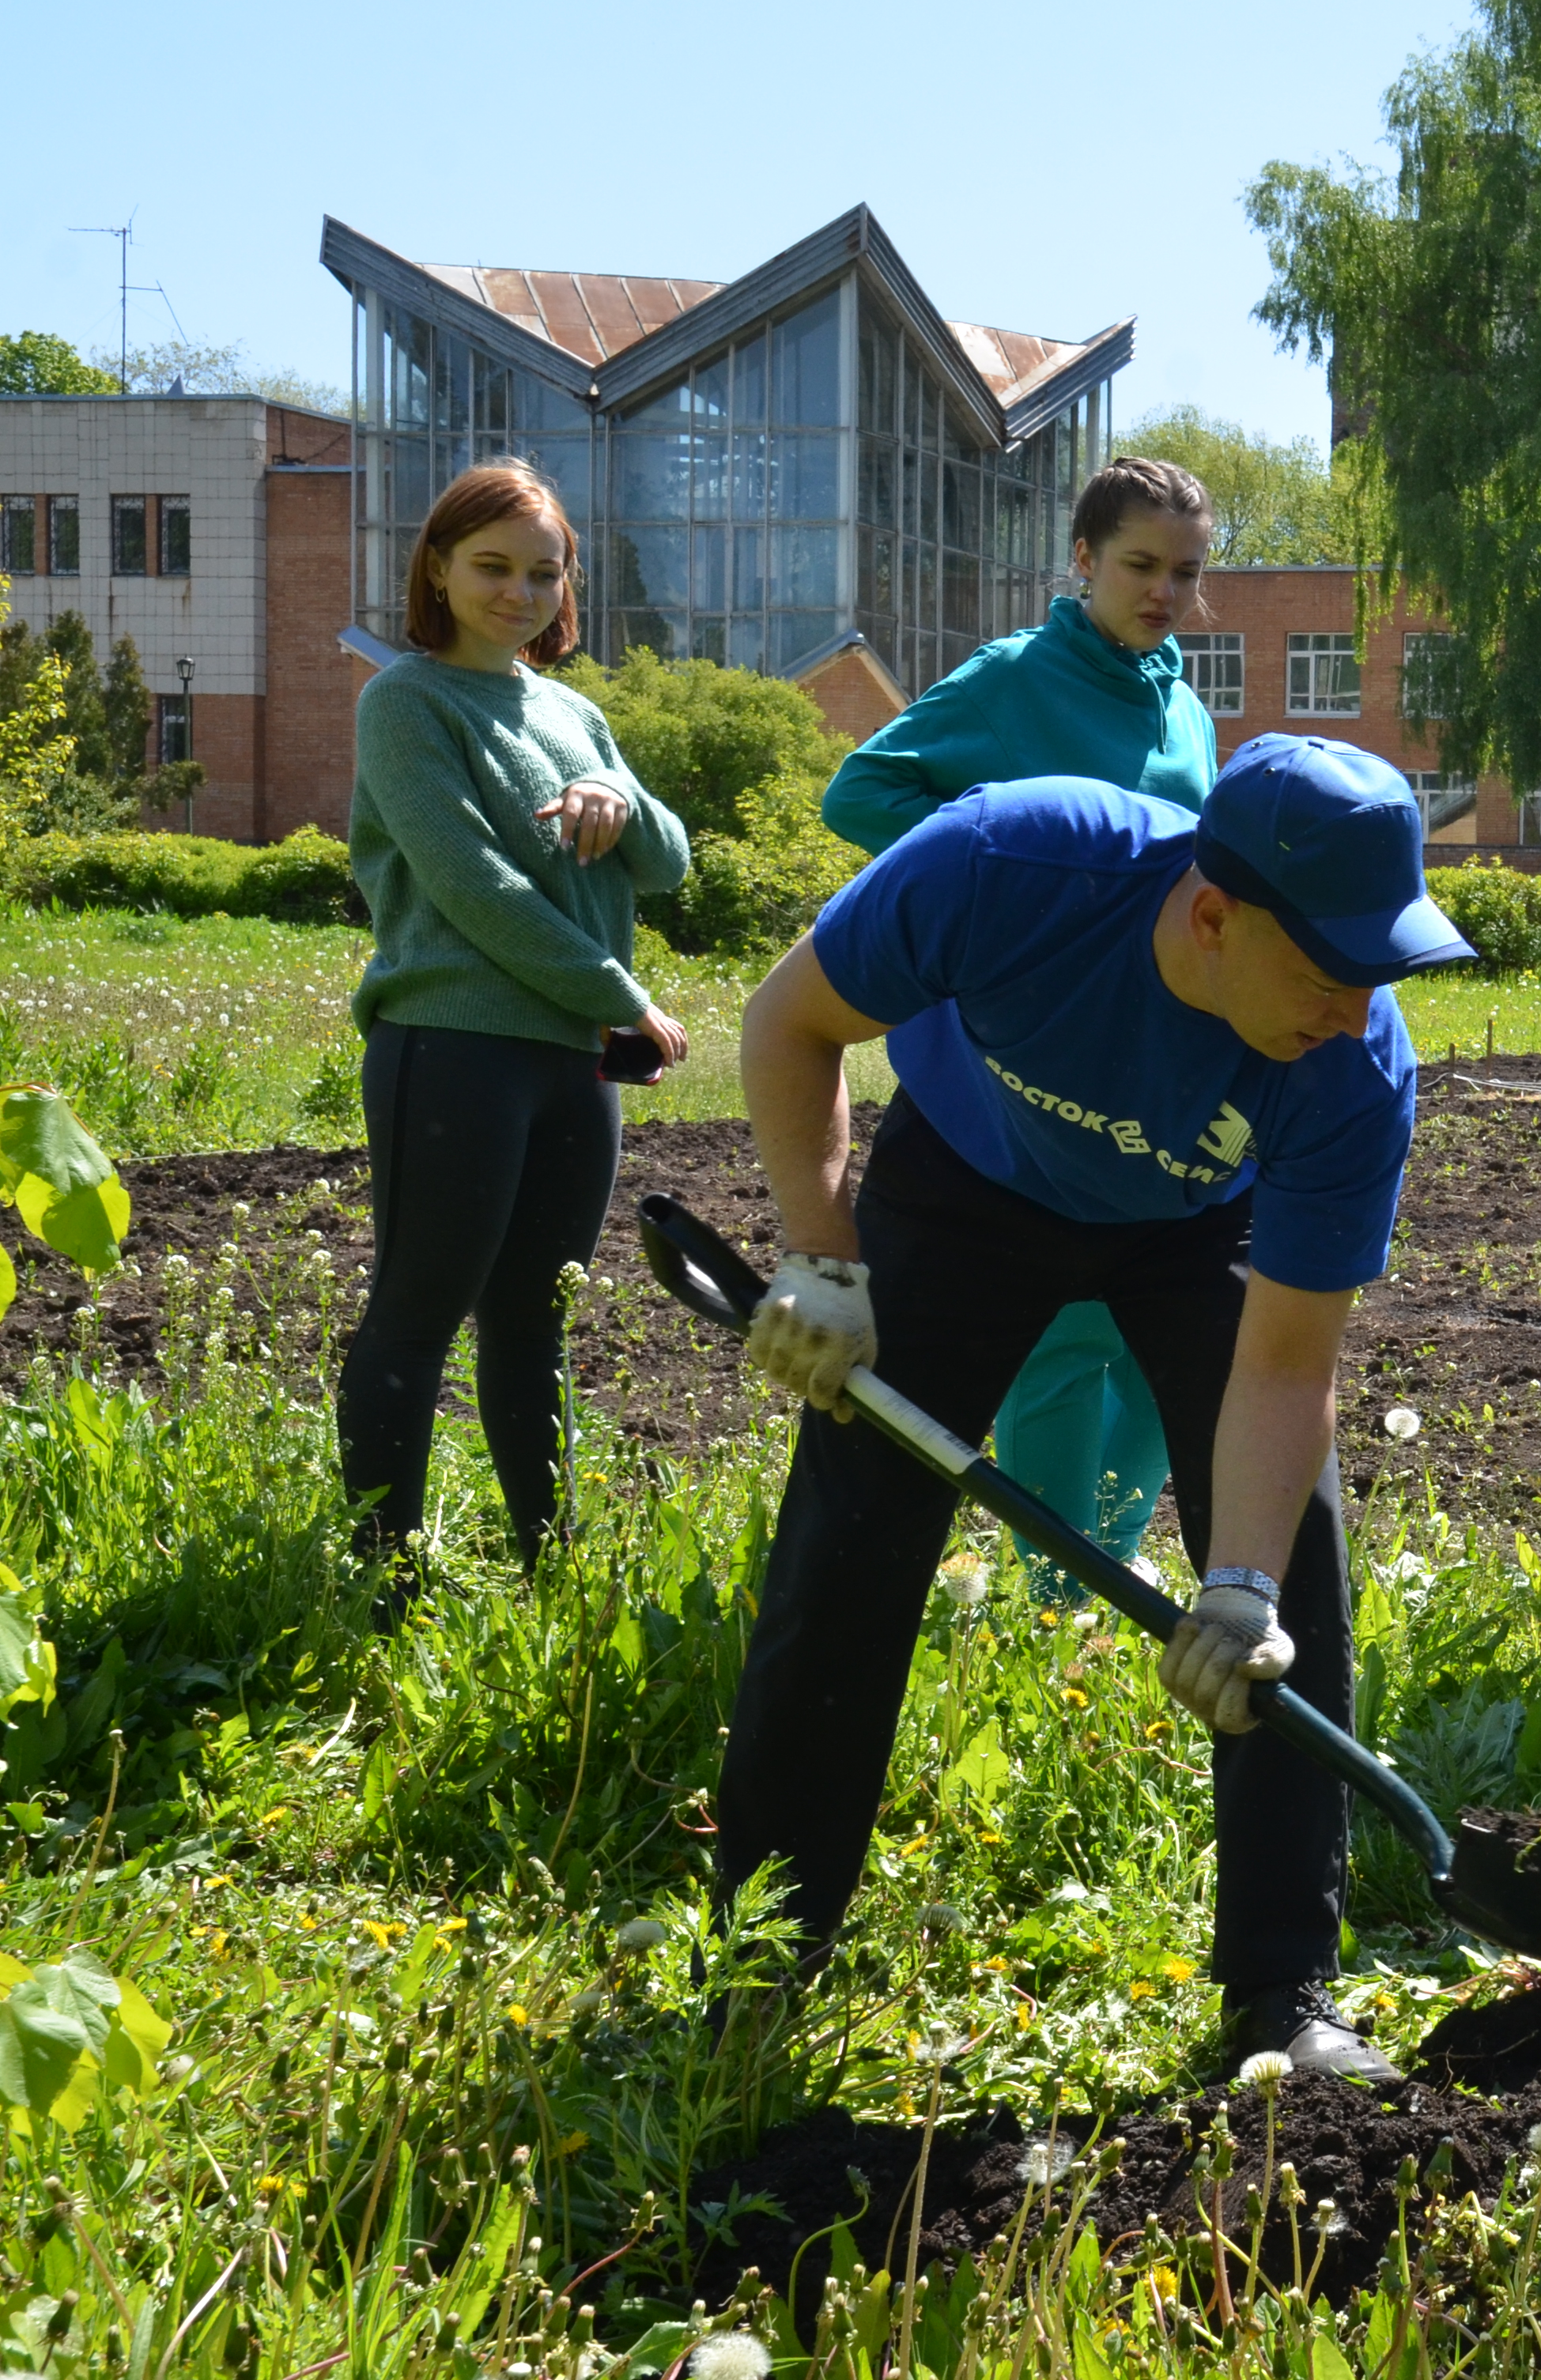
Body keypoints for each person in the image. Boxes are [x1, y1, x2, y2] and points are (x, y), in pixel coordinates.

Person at [714, 737, 1476, 2083]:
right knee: (851, 1537)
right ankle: (764, 1953)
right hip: (966, 1177)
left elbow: (1287, 1367)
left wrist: (1237, 1586)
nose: (1354, 1013)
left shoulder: (1351, 1073)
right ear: (1209, 916)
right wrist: (821, 1255)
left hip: (1199, 1224)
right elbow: (792, 1022)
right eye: (1327, 974)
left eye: (1379, 979)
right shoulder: (1011, 859)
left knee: (1292, 1569)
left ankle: (1281, 1995)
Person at [817, 458, 1229, 1582]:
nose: (1163, 591)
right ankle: (1059, 1590)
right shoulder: (1013, 678)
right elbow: (859, 791)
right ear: (1084, 560)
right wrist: (996, 878)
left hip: (1155, 1049)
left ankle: (1115, 1555)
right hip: (1028, 1045)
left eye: (1185, 573)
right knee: (1066, 1334)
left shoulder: (1187, 707)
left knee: (1150, 1349)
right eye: (1139, 565)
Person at [339, 458, 692, 1586]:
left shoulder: (575, 712)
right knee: (419, 1312)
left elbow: (671, 866)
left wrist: (619, 799)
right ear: (437, 569)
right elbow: (472, 885)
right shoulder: (406, 701)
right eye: (491, 566)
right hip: (453, 1047)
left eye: (543, 572)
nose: (518, 592)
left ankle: (549, 1566)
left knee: (536, 1325)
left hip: (568, 1067)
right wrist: (619, 994)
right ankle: (384, 1580)